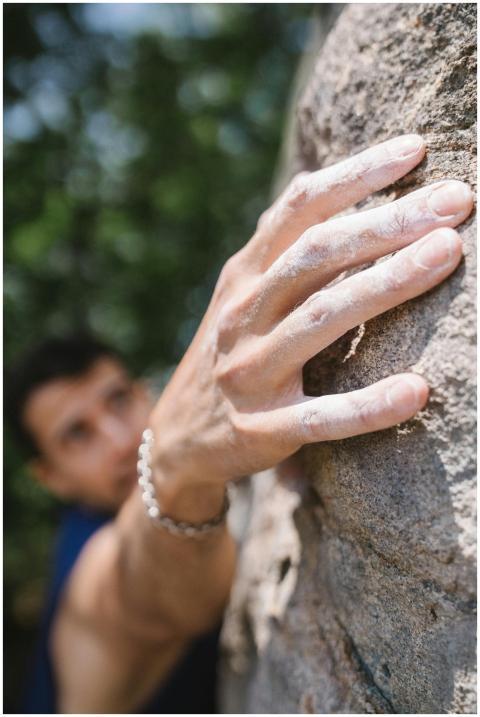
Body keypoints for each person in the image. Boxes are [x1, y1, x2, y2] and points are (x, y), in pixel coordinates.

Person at [6, 134, 473, 713]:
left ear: (142, 390)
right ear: (49, 477)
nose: (120, 438)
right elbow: (132, 595)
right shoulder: (82, 573)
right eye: (77, 434)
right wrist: (174, 464)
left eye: (118, 401)